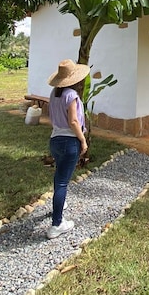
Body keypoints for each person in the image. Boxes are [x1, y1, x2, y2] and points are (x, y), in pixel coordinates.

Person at [46, 59, 90, 239]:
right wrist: (83, 140)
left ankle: (59, 203)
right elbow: (73, 121)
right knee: (63, 181)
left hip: (55, 140)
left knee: (59, 176)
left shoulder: (54, 94)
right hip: (69, 141)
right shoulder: (71, 95)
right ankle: (57, 224)